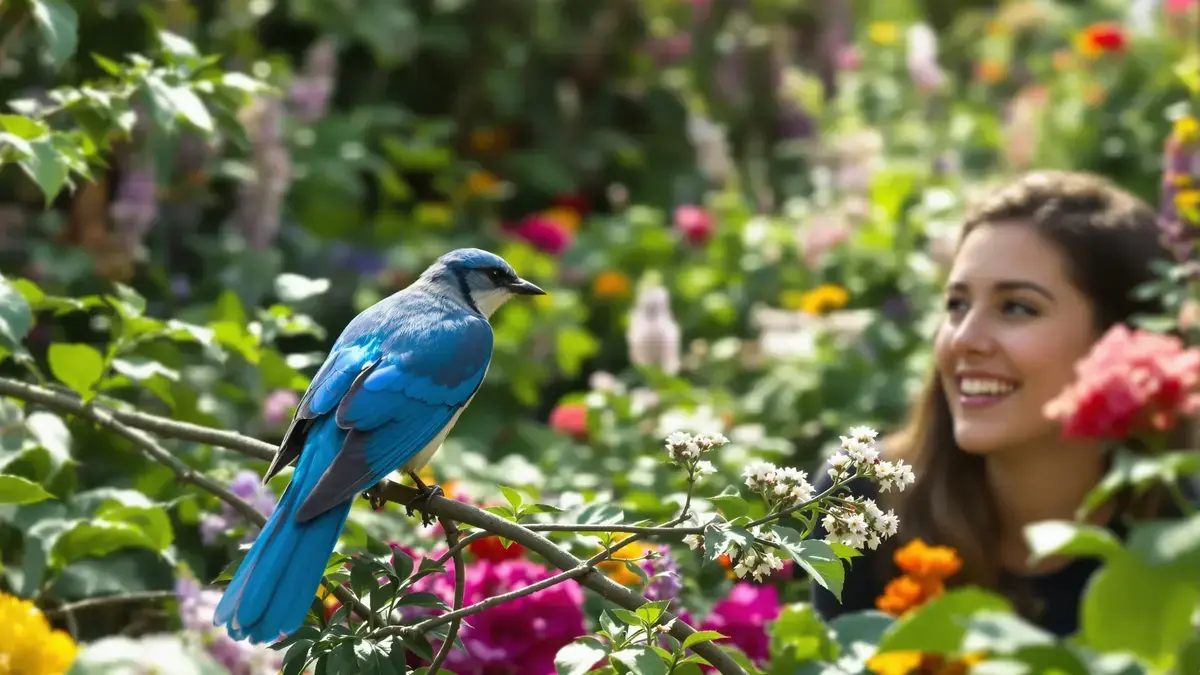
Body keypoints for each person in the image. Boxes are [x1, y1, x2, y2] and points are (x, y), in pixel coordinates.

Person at [806, 170, 1199, 636]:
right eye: (956, 305)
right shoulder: (861, 501)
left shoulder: (1183, 536)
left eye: (1016, 307)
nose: (964, 338)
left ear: (1121, 341)